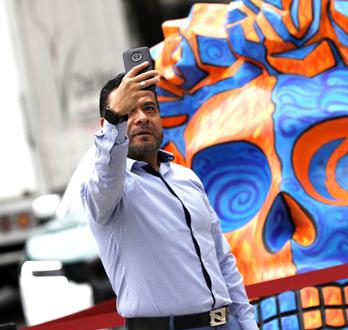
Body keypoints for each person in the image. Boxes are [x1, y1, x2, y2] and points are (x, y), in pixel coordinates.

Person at [80, 62, 257, 330]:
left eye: (149, 108)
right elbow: (106, 176)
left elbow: (222, 260)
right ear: (108, 124)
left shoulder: (187, 178)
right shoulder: (107, 191)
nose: (141, 118)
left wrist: (246, 323)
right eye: (128, 112)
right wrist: (115, 115)